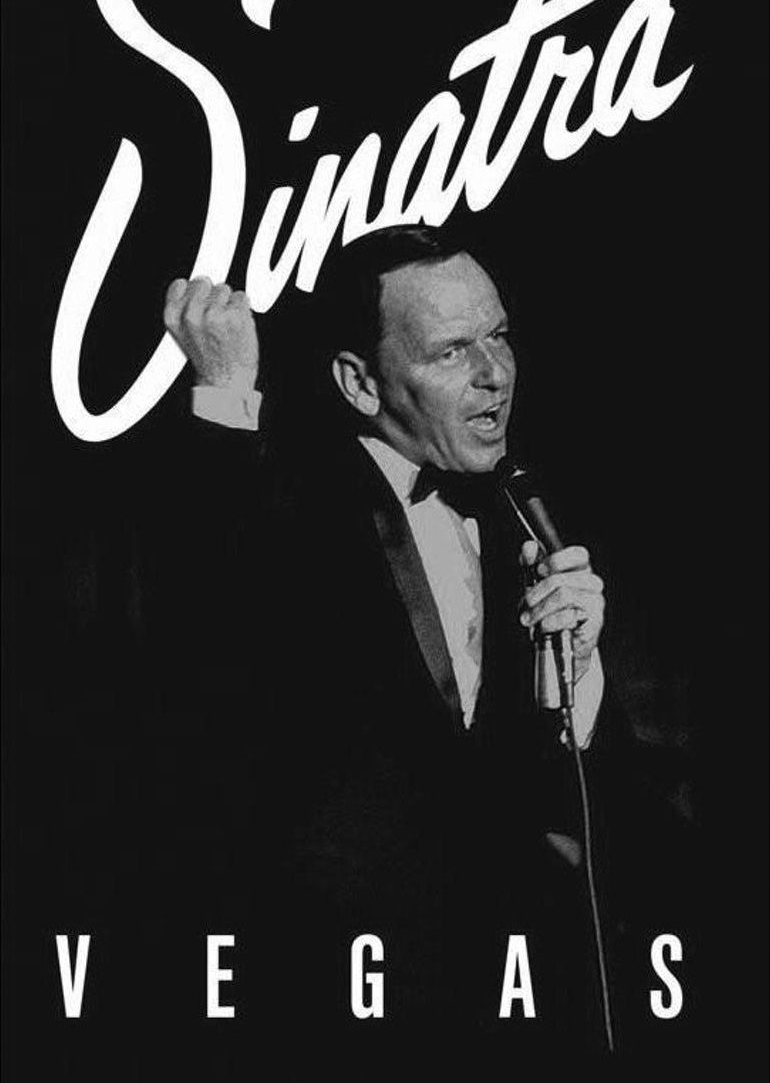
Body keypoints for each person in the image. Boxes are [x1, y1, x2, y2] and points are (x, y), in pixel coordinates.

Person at [158, 225, 626, 1050]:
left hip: (503, 1008)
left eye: (499, 335)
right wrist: (225, 392)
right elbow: (205, 622)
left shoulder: (523, 515)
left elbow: (580, 802)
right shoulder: (291, 507)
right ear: (360, 382)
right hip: (327, 1005)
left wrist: (578, 677)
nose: (494, 373)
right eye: (451, 351)